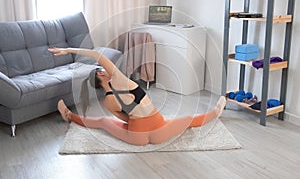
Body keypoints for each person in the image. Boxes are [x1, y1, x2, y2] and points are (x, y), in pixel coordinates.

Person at [48, 47, 226, 146]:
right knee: (187, 119)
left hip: (136, 137)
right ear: (101, 74)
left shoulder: (108, 101)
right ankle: (216, 111)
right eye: (102, 69)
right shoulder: (120, 79)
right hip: (158, 131)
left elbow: (125, 120)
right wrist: (68, 50)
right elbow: (96, 55)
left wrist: (137, 122)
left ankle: (70, 116)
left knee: (103, 121)